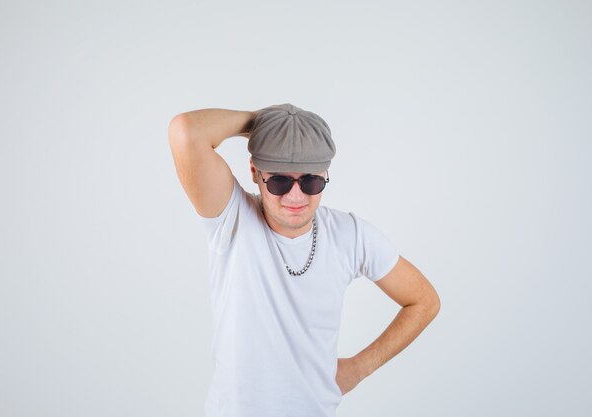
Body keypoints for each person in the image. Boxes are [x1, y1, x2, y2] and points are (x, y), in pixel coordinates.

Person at [168, 103, 441, 417]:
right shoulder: (232, 219)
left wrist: (357, 369)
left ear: (325, 175)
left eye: (310, 182)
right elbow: (186, 131)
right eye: (279, 181)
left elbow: (423, 301)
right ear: (255, 172)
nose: (295, 197)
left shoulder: (350, 235)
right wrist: (261, 124)